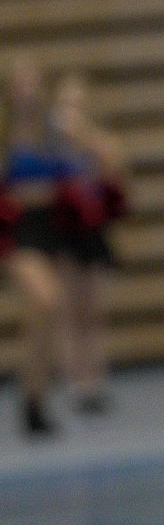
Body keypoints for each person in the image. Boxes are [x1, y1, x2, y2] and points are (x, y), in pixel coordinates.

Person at [48, 71, 128, 413]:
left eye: (77, 104)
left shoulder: (101, 143)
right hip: (64, 233)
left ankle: (95, 378)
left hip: (93, 233)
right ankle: (73, 379)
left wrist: (85, 138)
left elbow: (116, 175)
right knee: (69, 311)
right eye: (66, 104)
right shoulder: (51, 150)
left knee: (93, 310)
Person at [1, 56, 70, 434]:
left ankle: (34, 396)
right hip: (17, 230)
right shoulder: (5, 135)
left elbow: (82, 169)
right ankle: (32, 394)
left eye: (33, 83)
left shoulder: (54, 131)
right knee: (47, 300)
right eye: (20, 84)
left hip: (51, 227)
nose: (27, 91)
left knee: (42, 319)